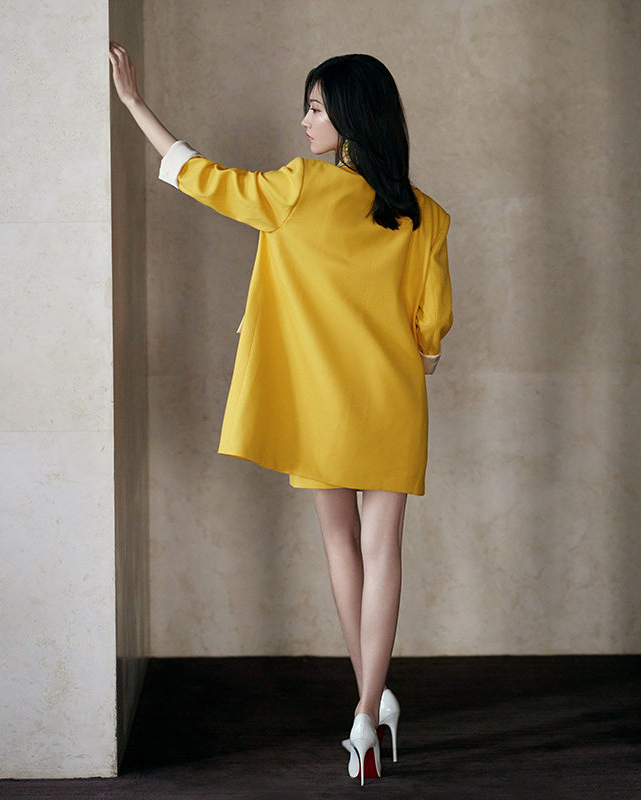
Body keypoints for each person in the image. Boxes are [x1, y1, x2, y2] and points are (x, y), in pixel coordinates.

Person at [108, 42, 453, 785]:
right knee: (385, 550)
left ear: (350, 118)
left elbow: (201, 177)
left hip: (321, 403)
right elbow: (431, 331)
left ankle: (368, 705)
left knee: (340, 545)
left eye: (316, 108)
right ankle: (370, 707)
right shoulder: (426, 215)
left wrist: (135, 104)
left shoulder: (298, 187)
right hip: (393, 400)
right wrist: (413, 356)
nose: (304, 121)